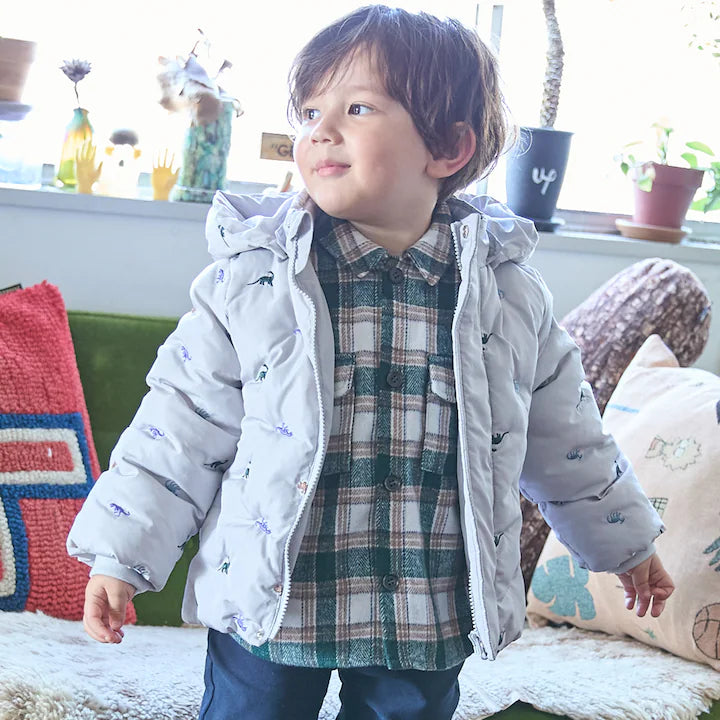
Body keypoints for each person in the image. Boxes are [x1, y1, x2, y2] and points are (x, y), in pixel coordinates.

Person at [67, 6, 675, 719]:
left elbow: (567, 438)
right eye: (309, 111)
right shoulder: (252, 281)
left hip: (426, 602)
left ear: (447, 147)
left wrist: (626, 544)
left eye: (356, 108)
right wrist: (120, 553)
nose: (320, 130)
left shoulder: (508, 296)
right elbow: (178, 426)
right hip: (274, 597)